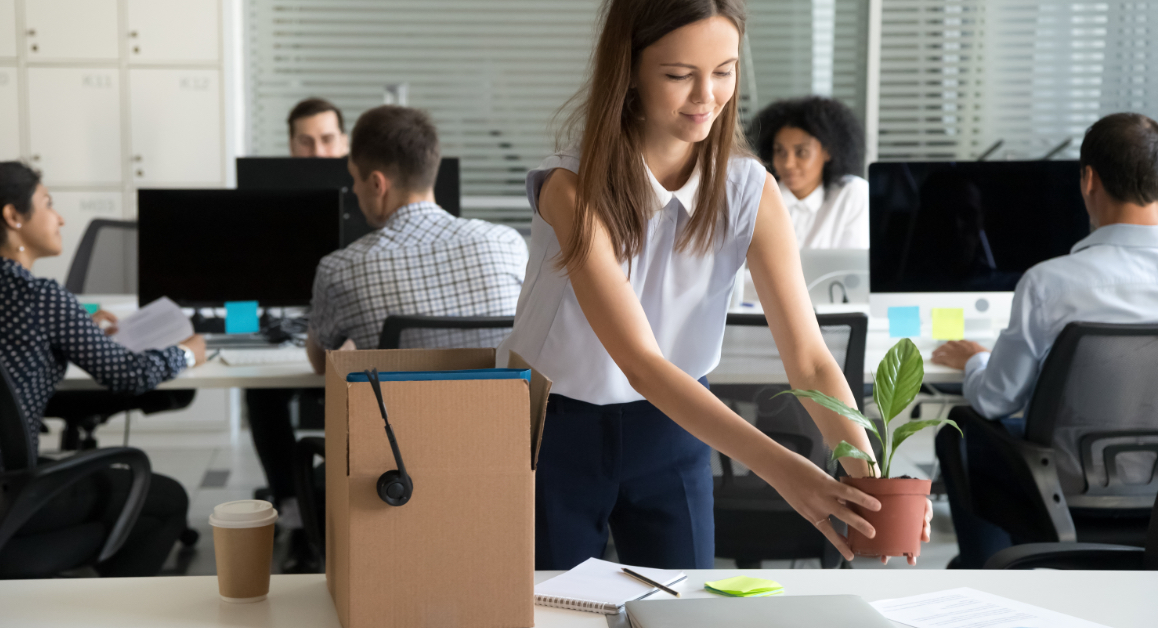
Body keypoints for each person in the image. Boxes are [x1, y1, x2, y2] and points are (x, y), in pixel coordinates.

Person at [499, 0, 929, 571]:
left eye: (724, 71)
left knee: (686, 609)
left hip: (677, 425)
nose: (707, 96)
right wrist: (784, 471)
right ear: (628, 71)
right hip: (555, 430)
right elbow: (641, 363)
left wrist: (872, 484)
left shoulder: (751, 191)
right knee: (552, 609)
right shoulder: (570, 190)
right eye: (679, 75)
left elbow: (810, 359)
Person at [931, 112, 1158, 569]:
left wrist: (978, 362)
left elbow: (996, 401)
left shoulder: (1049, 284)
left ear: (1088, 180)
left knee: (961, 429)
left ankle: (991, 574)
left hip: (1061, 491)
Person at [0, 160, 206, 577]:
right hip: (7, 493)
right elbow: (127, 374)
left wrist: (77, 322)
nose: (60, 217)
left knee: (134, 511)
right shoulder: (41, 298)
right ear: (13, 216)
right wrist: (186, 353)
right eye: (48, 204)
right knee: (168, 501)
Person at [305, 105, 527, 369]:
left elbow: (320, 362)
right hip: (498, 409)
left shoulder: (340, 269)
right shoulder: (507, 244)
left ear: (377, 184)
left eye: (354, 178)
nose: (353, 188)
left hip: (396, 412)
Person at [245, 95, 350, 573]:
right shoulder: (269, 196)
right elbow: (242, 279)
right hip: (287, 323)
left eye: (327, 139)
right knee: (261, 392)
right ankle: (292, 505)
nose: (317, 151)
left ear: (344, 142)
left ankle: (333, 506)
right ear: (290, 146)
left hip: (349, 329)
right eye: (306, 142)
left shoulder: (370, 189)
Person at [750, 96, 868, 249]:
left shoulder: (851, 194)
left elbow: (852, 267)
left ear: (828, 152)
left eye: (801, 152)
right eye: (780, 151)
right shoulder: (756, 198)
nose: (788, 163)